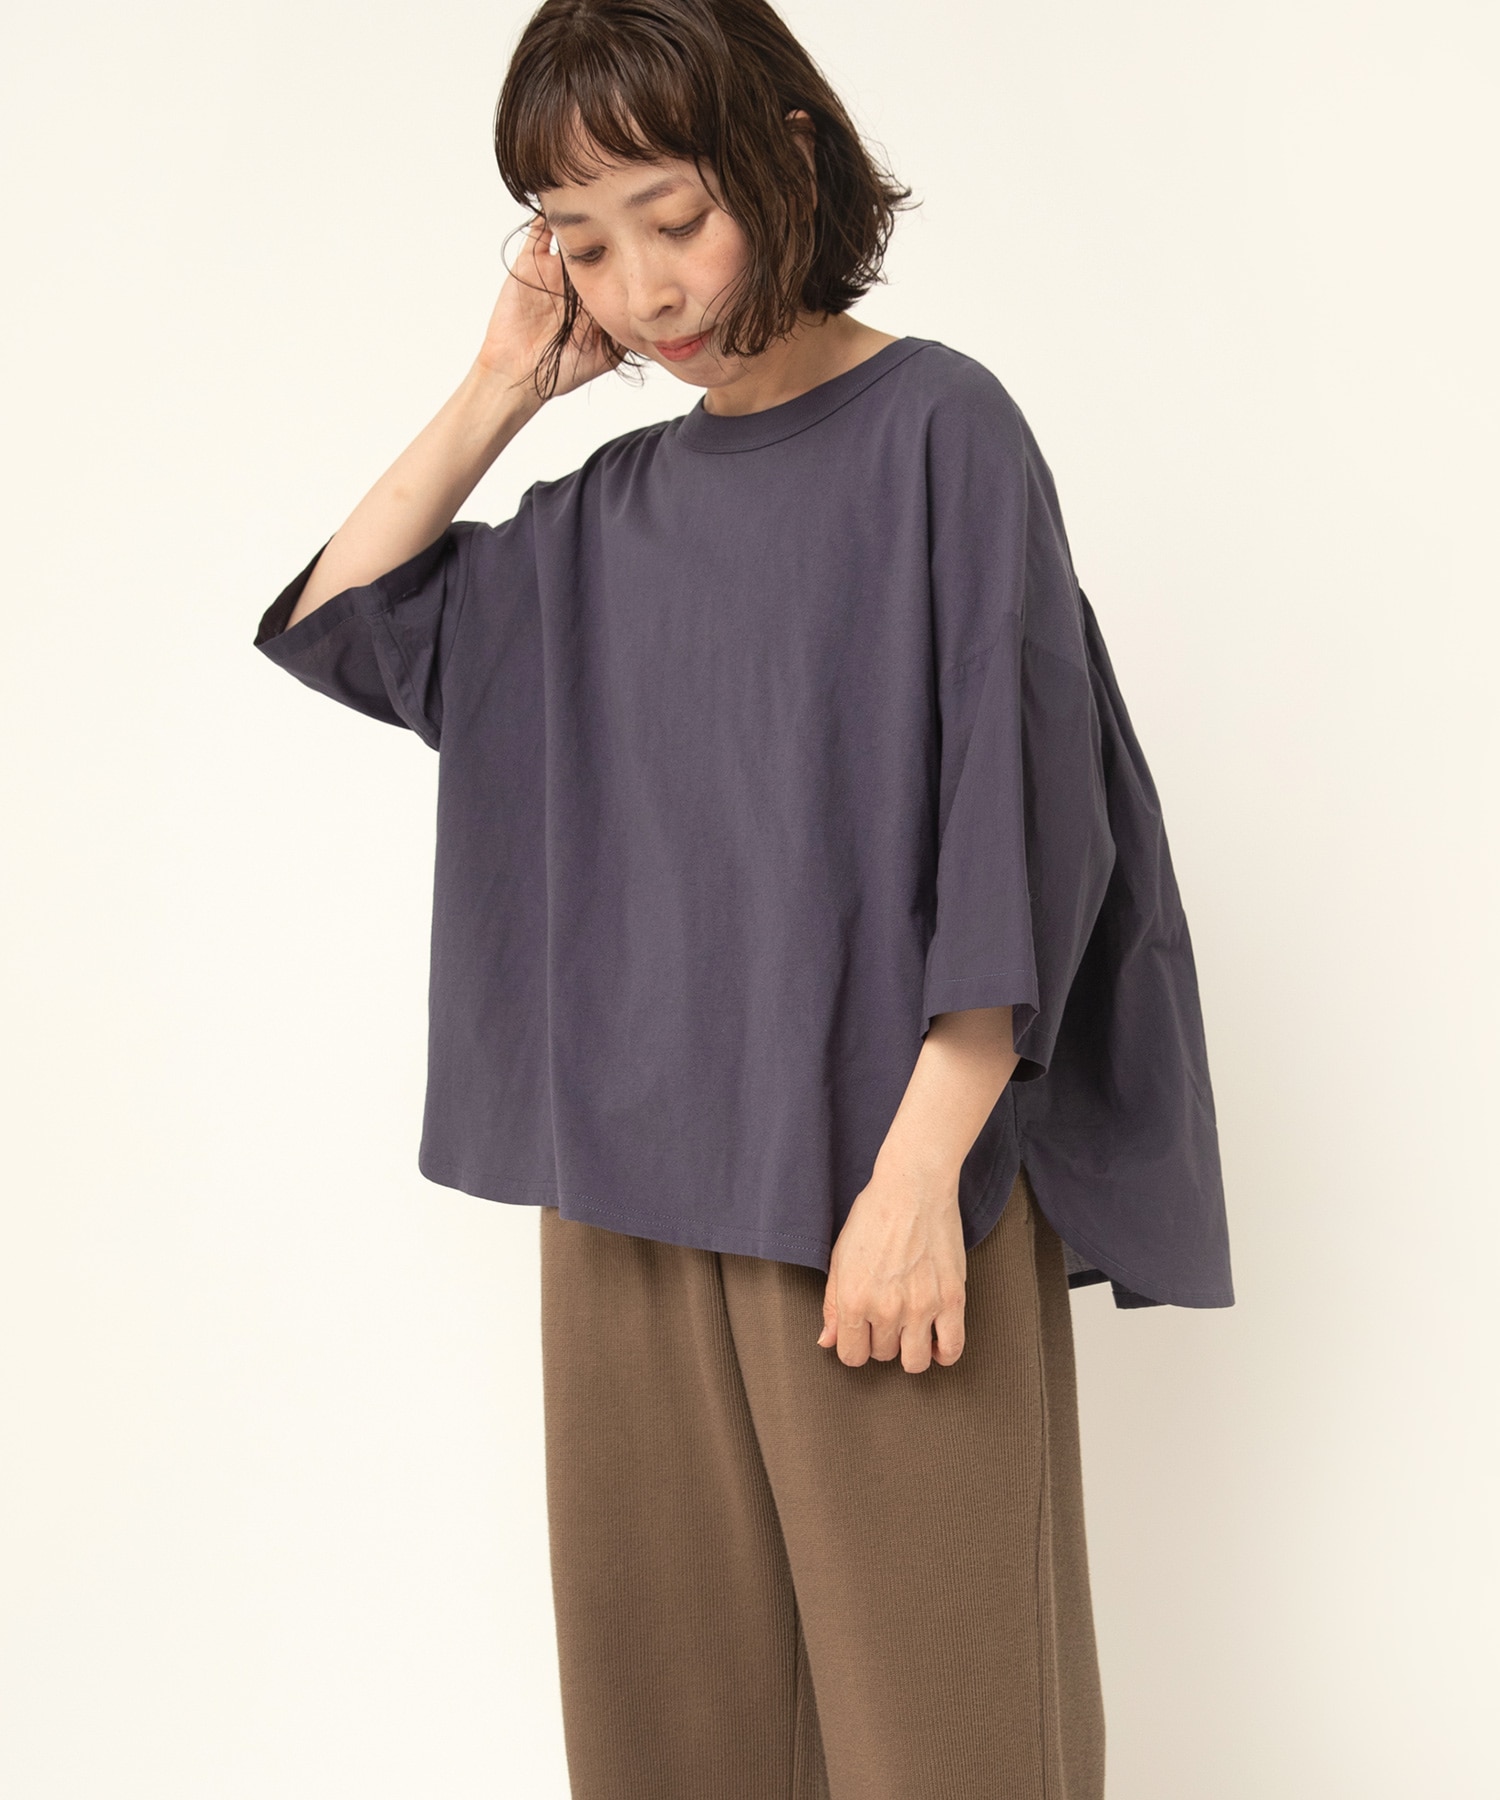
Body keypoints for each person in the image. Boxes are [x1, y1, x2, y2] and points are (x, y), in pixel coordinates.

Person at [252, 1, 1234, 1793]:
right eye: (580, 242)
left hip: (877, 1184)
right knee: (670, 1751)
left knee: (954, 1746)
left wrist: (920, 1184)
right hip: (627, 1218)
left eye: (673, 215)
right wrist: (501, 389)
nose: (643, 289)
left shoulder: (940, 431)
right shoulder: (603, 514)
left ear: (785, 161)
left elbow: (1023, 825)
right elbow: (343, 623)